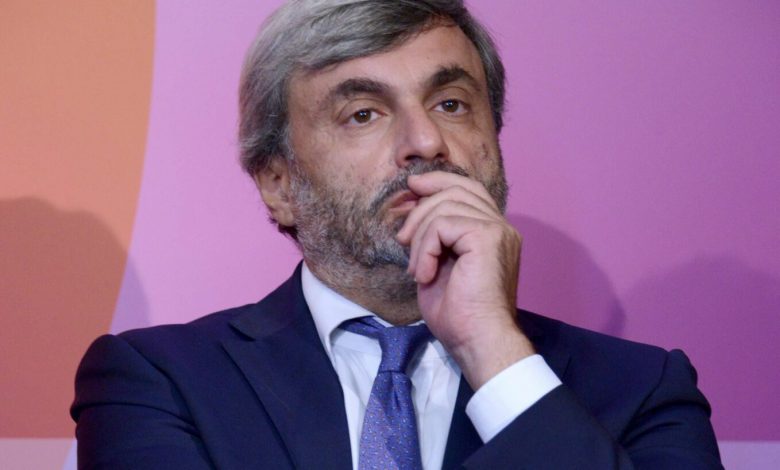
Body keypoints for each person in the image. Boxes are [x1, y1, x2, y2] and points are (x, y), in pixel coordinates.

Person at [71, 1, 723, 468]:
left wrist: (492, 349)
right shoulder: (161, 383)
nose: (425, 142)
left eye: (451, 103)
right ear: (279, 183)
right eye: (363, 113)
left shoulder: (642, 388)